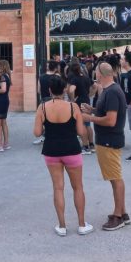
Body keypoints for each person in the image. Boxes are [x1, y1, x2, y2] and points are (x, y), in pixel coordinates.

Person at [34, 75, 91, 236]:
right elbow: (81, 132)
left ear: (50, 90)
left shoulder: (42, 108)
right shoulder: (74, 107)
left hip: (51, 151)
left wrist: (48, 128)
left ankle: (62, 225)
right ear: (65, 89)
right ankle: (81, 224)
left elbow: (37, 132)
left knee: (58, 188)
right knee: (78, 187)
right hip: (72, 149)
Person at [81, 62, 129, 231]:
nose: (95, 75)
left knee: (115, 178)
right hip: (106, 140)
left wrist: (89, 118)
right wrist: (92, 110)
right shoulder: (109, 91)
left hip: (110, 139)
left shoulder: (112, 92)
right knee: (114, 177)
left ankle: (118, 216)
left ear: (101, 74)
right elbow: (105, 112)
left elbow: (111, 120)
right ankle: (122, 212)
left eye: (96, 72)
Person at [67, 61, 93, 154]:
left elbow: (71, 89)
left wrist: (73, 99)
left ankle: (85, 147)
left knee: (81, 124)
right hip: (86, 100)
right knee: (88, 124)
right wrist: (88, 95)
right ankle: (91, 144)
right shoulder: (86, 78)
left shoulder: (74, 79)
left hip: (79, 102)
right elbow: (93, 87)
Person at [34, 60, 59, 145]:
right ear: (55, 68)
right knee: (55, 119)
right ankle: (55, 136)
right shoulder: (57, 77)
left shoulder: (41, 77)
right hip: (55, 100)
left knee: (44, 120)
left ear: (48, 67)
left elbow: (38, 91)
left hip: (44, 100)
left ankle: (45, 137)